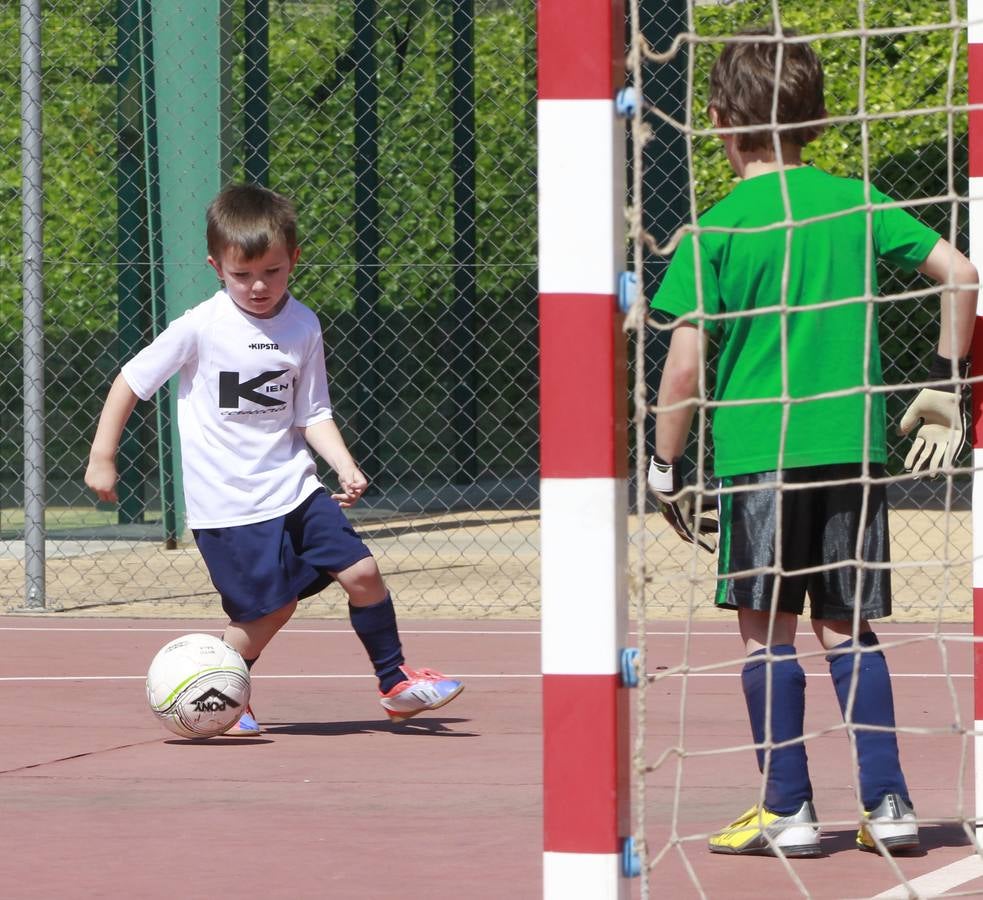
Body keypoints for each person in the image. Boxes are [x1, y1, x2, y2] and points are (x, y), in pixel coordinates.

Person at [648, 25, 977, 857]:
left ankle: (788, 809)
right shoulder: (855, 201)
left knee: (767, 635)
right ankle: (890, 803)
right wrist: (945, 385)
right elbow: (962, 274)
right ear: (819, 120)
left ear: (718, 119)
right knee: (849, 629)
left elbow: (684, 366)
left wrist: (663, 465)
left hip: (762, 458)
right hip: (855, 449)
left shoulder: (714, 228)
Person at [85, 183, 463, 733]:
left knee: (362, 571)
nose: (259, 286)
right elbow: (131, 381)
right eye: (243, 275)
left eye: (273, 272)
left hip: (294, 486)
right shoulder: (200, 327)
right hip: (229, 504)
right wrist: (103, 455)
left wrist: (344, 464)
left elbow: (312, 412)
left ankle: (395, 681)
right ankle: (219, 689)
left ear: (294, 261)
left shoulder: (304, 325)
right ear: (217, 266)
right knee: (267, 612)